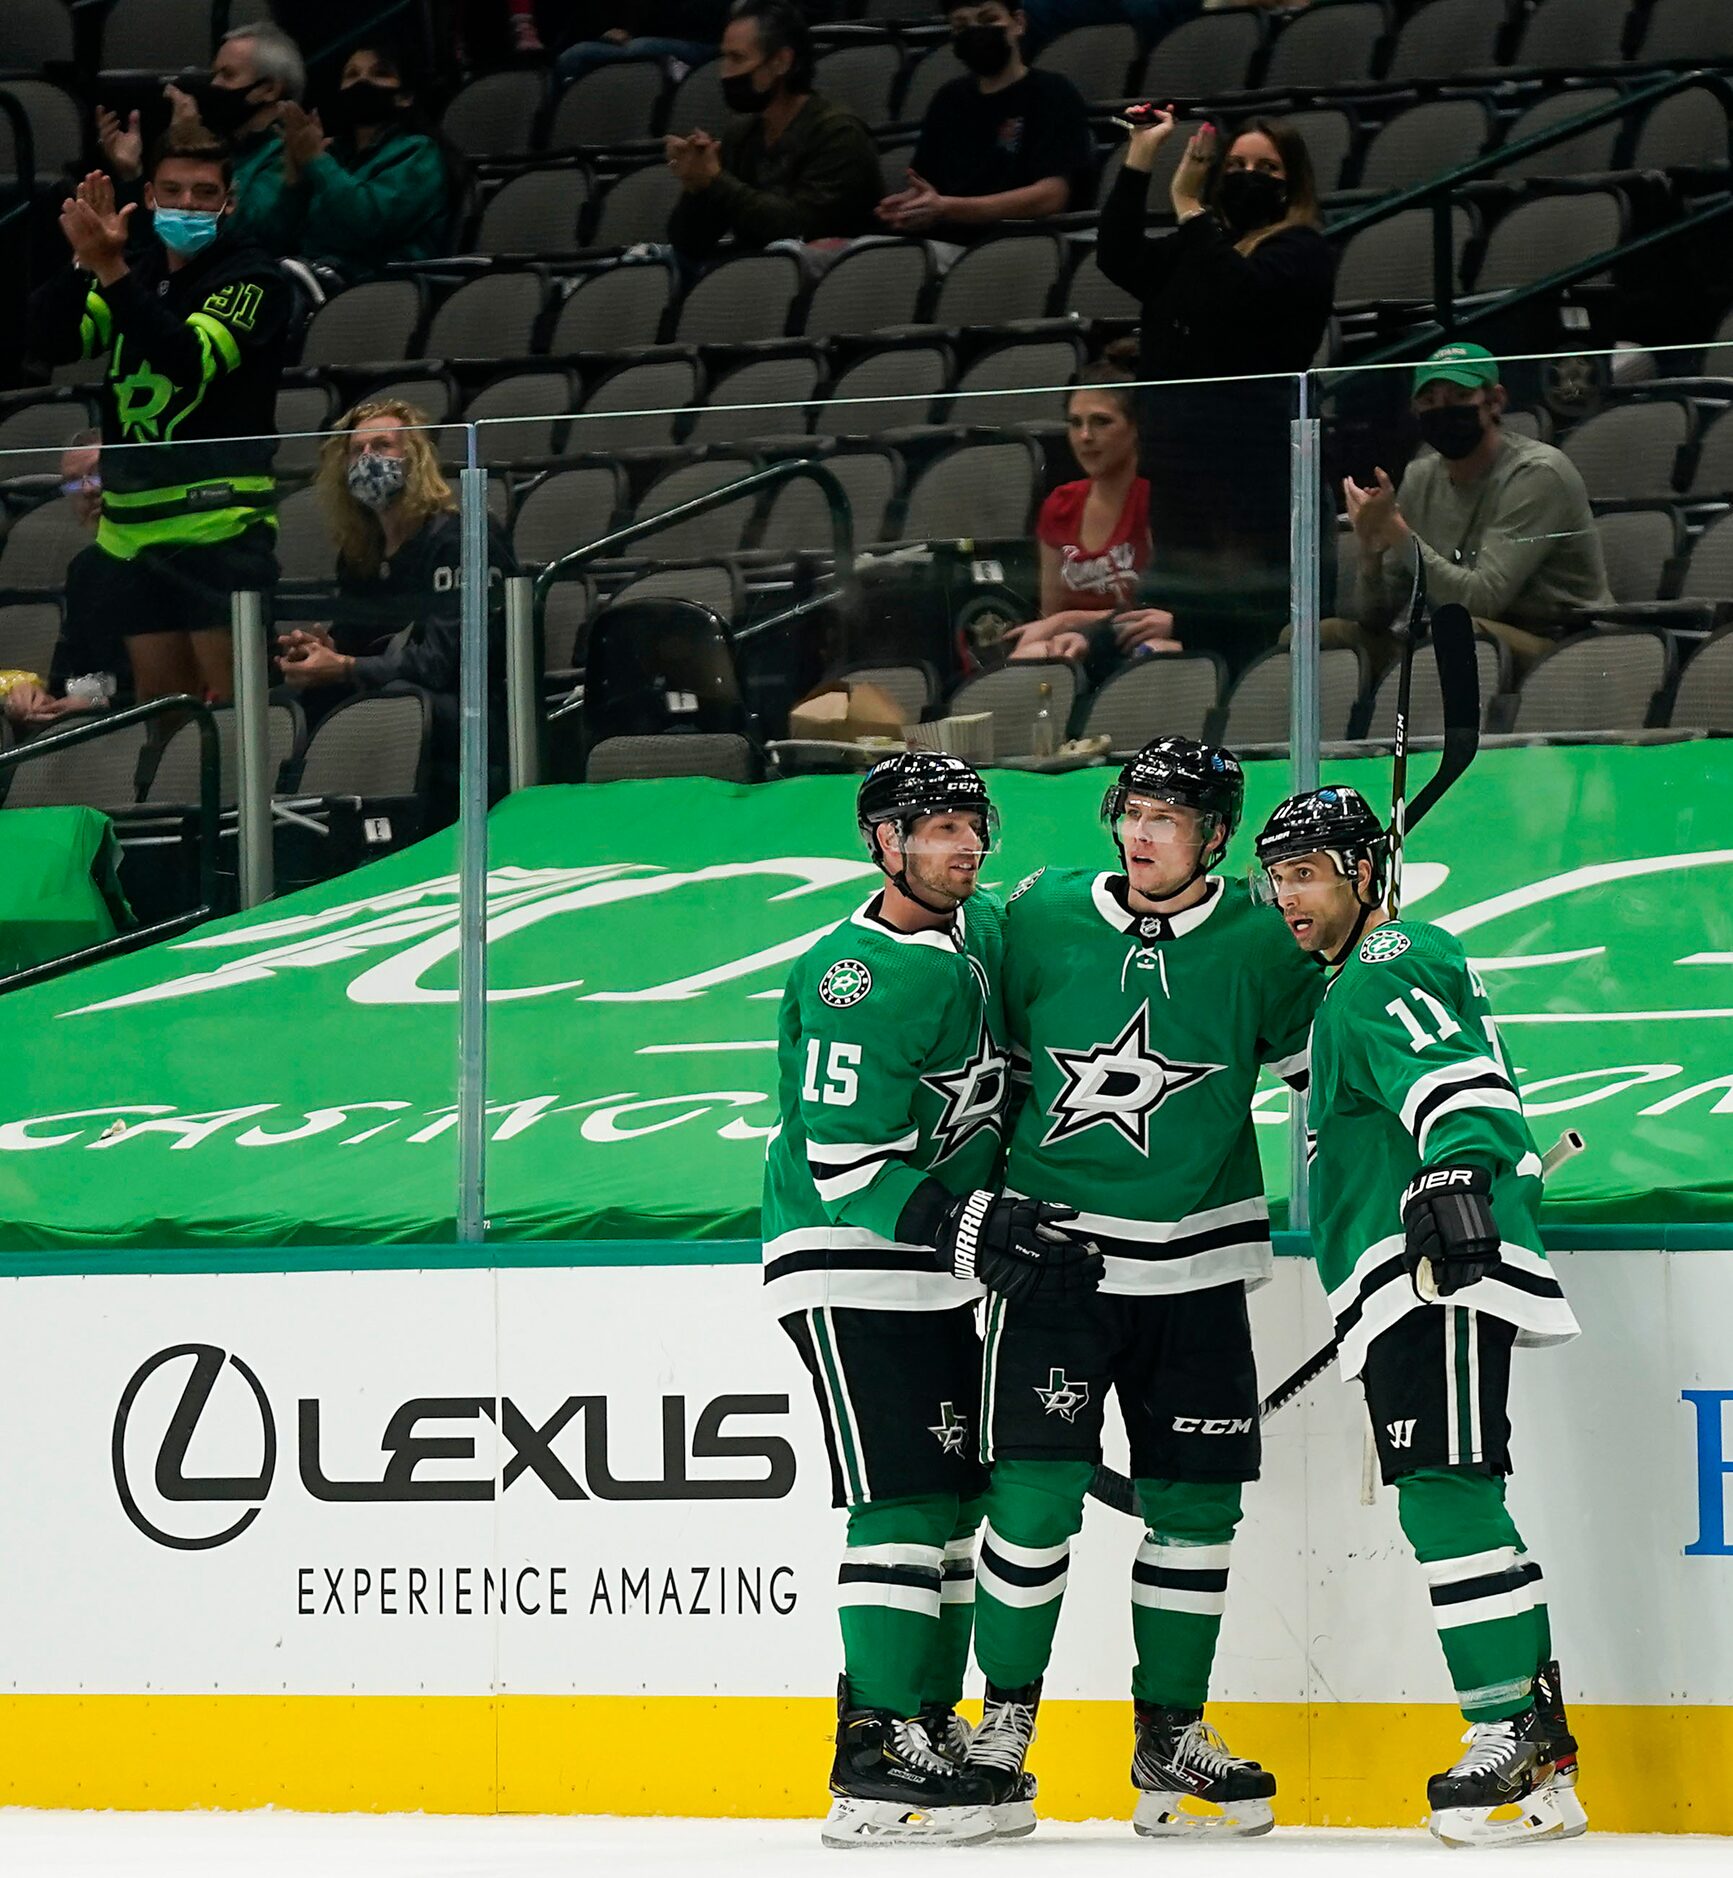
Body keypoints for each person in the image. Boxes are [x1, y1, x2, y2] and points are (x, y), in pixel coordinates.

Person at [961, 738, 1323, 1838]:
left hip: (1198, 1265)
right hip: (1054, 1264)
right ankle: (1000, 1726)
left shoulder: (1266, 939)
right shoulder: (1035, 914)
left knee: (1195, 1512)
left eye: (1168, 818)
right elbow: (980, 1072)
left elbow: (1336, 1074)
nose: (1141, 834)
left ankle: (1170, 1740)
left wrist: (1372, 946)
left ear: (1215, 836)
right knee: (1029, 1506)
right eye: (1130, 812)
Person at [760, 752, 1101, 1848]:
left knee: (954, 1510)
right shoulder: (855, 975)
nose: (961, 845)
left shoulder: (971, 941)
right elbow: (843, 1158)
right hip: (845, 1257)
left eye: (971, 823)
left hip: (925, 1270)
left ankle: (925, 1729)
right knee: (901, 1504)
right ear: (882, 843)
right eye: (934, 827)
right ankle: (870, 1755)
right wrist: (975, 1226)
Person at [1253, 785, 1584, 1849]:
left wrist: (1455, 1165)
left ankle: (1507, 1736)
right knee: (1452, 1496)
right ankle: (1537, 1759)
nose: (1285, 897)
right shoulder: (1346, 981)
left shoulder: (1390, 960)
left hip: (1426, 1267)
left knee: (1445, 1496)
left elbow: (1455, 1079)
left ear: (1361, 873)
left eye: (1304, 873)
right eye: (1276, 879)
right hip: (1397, 1274)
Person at [25, 133, 289, 705]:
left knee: (231, 711)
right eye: (172, 190)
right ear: (147, 196)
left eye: (203, 192)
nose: (187, 204)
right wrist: (81, 263)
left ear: (230, 201)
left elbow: (188, 360)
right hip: (133, 531)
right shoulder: (135, 272)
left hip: (218, 522)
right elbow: (52, 339)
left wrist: (110, 270)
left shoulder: (254, 278)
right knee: (163, 714)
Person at [1098, 112, 1337, 675]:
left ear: (1292, 180)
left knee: (1245, 629)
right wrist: (1141, 155)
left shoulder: (1301, 250)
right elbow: (1118, 255)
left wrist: (1188, 206)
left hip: (1259, 471)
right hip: (1183, 465)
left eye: (1265, 167)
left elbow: (1241, 297)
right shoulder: (1201, 247)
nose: (1248, 175)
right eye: (1234, 165)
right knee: (1162, 621)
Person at [276, 398, 518, 815]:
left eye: (382, 446)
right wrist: (320, 652)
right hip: (401, 695)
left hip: (475, 710)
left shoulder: (461, 537)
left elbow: (448, 663)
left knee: (396, 699)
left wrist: (345, 666)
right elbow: (357, 645)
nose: (367, 458)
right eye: (357, 450)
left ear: (414, 459)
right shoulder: (362, 551)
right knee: (291, 701)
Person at [1341, 343, 1615, 678]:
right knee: (1322, 639)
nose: (1443, 410)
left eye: (1458, 397)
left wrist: (1397, 531)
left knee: (1455, 631)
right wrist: (1370, 553)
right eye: (1429, 402)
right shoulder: (1420, 476)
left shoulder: (1538, 474)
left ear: (1495, 401)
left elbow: (1482, 600)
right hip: (1465, 637)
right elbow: (1375, 619)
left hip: (1560, 643)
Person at [665, 0, 881, 258]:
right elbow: (690, 244)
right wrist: (696, 186)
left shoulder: (838, 134)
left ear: (781, 61)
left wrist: (716, 180)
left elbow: (800, 230)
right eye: (725, 58)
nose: (725, 73)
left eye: (737, 59)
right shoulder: (742, 134)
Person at [877, 2, 1094, 246]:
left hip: (1018, 244)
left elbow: (1051, 197)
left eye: (989, 20)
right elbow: (928, 186)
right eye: (961, 26)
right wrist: (907, 208)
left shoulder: (1053, 92)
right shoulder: (947, 99)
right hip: (945, 243)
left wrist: (949, 208)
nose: (976, 32)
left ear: (1018, 23)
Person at [1009, 369, 1177, 674]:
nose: (1085, 437)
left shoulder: (1156, 499)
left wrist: (1068, 621)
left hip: (1134, 644)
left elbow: (1151, 616)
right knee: (1030, 655)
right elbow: (1050, 616)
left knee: (1151, 653)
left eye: (1101, 422)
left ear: (1135, 427)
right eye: (1075, 423)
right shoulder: (1060, 505)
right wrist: (1061, 628)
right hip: (1076, 648)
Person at [243, 43, 456, 281]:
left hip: (384, 288)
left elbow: (369, 224)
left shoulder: (420, 153)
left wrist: (316, 160)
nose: (361, 82)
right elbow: (274, 240)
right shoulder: (334, 155)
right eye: (351, 75)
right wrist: (295, 179)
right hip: (312, 278)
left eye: (380, 73)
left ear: (404, 97)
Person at [96, 23, 308, 248]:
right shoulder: (224, 146)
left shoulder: (287, 157)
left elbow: (242, 238)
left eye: (227, 75)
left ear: (269, 89)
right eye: (215, 74)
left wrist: (183, 141)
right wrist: (132, 175)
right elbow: (156, 242)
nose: (214, 84)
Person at [1, 438, 132, 731]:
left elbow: (188, 680)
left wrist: (102, 703)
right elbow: (70, 679)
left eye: (99, 473)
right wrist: (33, 697)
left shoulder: (176, 561)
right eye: (73, 483)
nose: (88, 489)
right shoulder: (85, 570)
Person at [555, 2, 726, 86]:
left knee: (640, 47)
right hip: (645, 40)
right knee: (573, 56)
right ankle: (546, 132)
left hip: (701, 42)